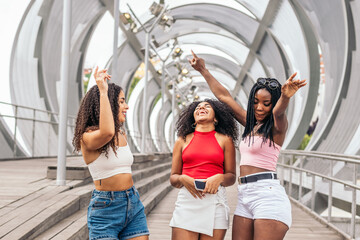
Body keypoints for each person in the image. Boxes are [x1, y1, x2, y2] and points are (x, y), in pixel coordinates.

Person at [189, 51, 307, 240]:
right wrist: (203, 69)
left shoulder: (277, 128)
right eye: (255, 102)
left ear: (273, 104)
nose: (259, 107)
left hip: (267, 195)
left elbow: (278, 113)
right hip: (244, 195)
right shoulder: (251, 124)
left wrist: (285, 97)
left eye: (266, 103)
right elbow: (225, 98)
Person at [72, 67, 149, 240]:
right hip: (105, 208)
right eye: (121, 102)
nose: (127, 106)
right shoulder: (88, 137)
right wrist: (103, 91)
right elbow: (107, 132)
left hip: (133, 202)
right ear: (108, 103)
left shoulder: (122, 134)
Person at [170, 99, 238, 240]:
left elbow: (231, 176)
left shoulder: (225, 140)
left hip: (215, 201)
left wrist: (220, 177)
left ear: (216, 117)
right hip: (187, 201)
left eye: (207, 106)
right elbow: (173, 178)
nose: (201, 108)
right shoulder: (181, 140)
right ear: (193, 119)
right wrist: (183, 178)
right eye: (198, 107)